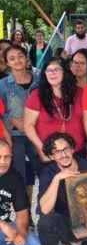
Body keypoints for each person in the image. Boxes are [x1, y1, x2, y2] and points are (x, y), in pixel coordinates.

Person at [25, 57, 85, 165]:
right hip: (50, 154)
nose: (52, 73)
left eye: (56, 69)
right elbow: (28, 126)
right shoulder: (37, 95)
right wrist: (42, 149)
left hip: (77, 152)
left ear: (65, 72)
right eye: (48, 70)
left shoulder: (80, 93)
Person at [0, 45, 39, 207]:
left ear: (26, 57)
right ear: (7, 63)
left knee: (43, 171)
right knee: (21, 175)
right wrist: (13, 121)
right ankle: (24, 212)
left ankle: (43, 210)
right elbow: (1, 112)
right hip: (15, 137)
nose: (17, 60)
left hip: (38, 134)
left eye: (20, 56)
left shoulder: (39, 79)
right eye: (12, 58)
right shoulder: (3, 84)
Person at [0, 139, 41, 245]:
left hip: (3, 229)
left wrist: (21, 234)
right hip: (3, 226)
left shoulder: (14, 176)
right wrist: (4, 225)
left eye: (7, 157)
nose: (3, 161)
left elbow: (22, 211)